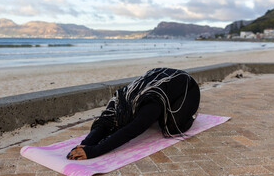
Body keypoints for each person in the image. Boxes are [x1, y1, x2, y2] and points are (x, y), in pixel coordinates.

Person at [67, 67, 200, 160]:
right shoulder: (120, 98)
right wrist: (87, 143)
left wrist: (95, 151)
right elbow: (104, 122)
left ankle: (192, 115)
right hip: (158, 75)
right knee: (116, 122)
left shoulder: (152, 104)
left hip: (187, 85)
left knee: (172, 126)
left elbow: (132, 130)